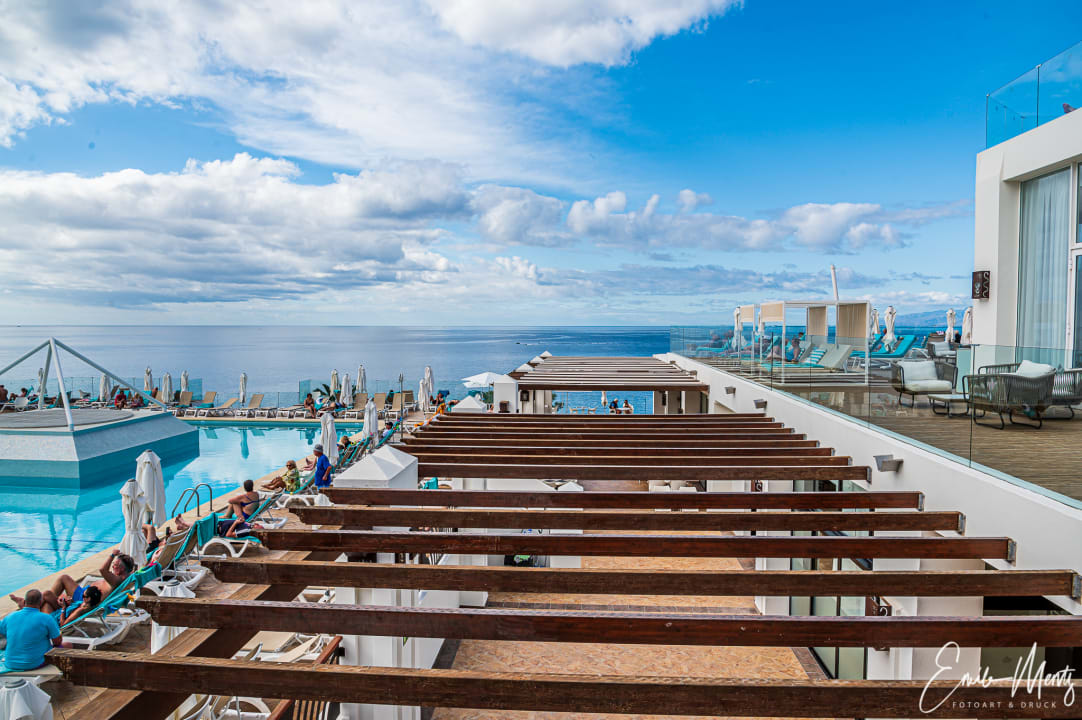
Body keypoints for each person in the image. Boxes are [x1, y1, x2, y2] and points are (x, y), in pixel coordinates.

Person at [12, 549, 134, 615]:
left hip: (83, 600)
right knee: (63, 578)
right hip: (82, 594)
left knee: (46, 595)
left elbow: (102, 569)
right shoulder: (125, 576)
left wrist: (112, 555)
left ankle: (27, 607)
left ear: (122, 569)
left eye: (116, 565)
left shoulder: (117, 580)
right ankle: (34, 607)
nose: (113, 566)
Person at [0, 590, 62, 670]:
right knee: (67, 645)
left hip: (10, 663)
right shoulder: (46, 618)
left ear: (25, 602)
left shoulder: (10, 617)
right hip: (33, 664)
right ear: (40, 602)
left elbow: (4, 632)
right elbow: (57, 642)